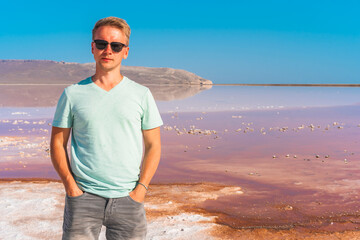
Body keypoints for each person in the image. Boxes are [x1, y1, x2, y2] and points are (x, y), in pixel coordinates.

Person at [50, 16, 163, 240]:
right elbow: (57, 144)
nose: (108, 50)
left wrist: (140, 190)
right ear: (93, 48)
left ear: (125, 51)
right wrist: (71, 188)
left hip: (128, 200)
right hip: (83, 198)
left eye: (116, 45)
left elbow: (153, 146)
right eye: (101, 44)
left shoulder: (141, 94)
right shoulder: (72, 94)